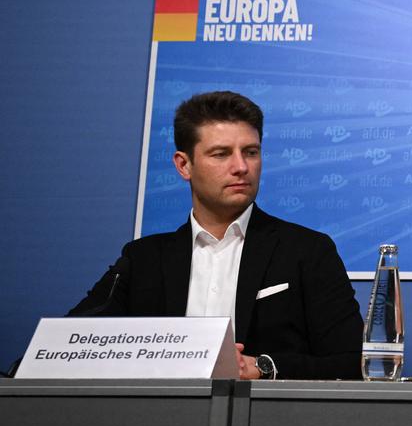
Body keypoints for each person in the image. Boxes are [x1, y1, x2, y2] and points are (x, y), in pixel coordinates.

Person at [70, 91, 363, 380]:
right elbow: (70, 347)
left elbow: (353, 362)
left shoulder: (307, 251)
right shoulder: (142, 260)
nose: (241, 167)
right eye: (221, 154)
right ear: (184, 165)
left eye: (251, 152)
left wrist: (262, 367)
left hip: (266, 410)